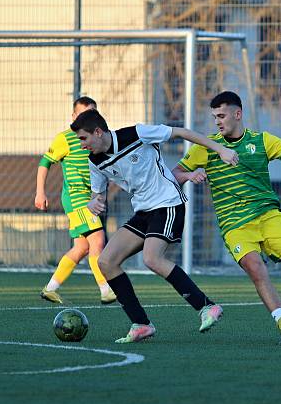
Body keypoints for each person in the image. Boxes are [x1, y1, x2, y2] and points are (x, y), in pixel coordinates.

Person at [172, 91, 281, 346]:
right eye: (214, 117)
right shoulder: (206, 147)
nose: (217, 122)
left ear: (237, 114)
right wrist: (189, 176)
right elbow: (175, 173)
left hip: (268, 217)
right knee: (256, 269)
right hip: (235, 226)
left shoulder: (261, 141)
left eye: (221, 116)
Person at [70, 109, 239, 343]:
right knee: (106, 262)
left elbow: (182, 132)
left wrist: (221, 149)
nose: (82, 145)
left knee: (152, 258)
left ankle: (206, 307)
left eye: (83, 139)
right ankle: (141, 324)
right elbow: (97, 194)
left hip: (168, 203)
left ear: (98, 132)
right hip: (143, 211)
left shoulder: (137, 133)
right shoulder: (95, 160)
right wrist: (94, 202)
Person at [35, 96, 116, 305]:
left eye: (93, 114)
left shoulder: (99, 138)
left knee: (82, 247)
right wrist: (40, 192)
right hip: (77, 199)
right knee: (98, 240)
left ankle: (50, 288)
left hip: (92, 198)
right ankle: (106, 290)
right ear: (73, 116)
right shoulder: (65, 138)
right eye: (83, 113)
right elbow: (45, 162)